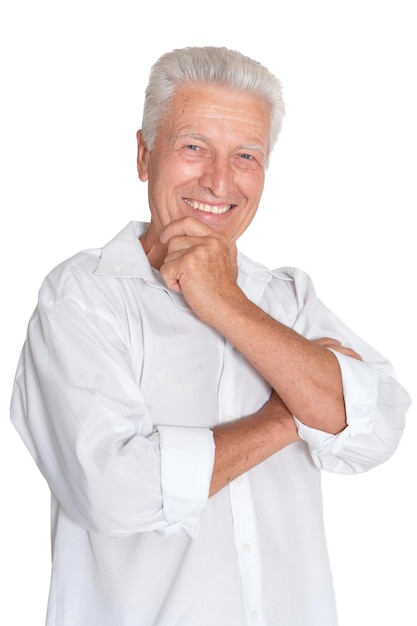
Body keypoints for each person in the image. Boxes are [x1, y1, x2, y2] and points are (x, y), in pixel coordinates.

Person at [10, 45, 411, 626]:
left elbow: (379, 429)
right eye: (194, 147)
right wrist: (287, 417)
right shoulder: (82, 298)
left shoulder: (285, 298)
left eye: (246, 155)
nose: (220, 180)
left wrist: (226, 303)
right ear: (145, 155)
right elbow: (115, 490)